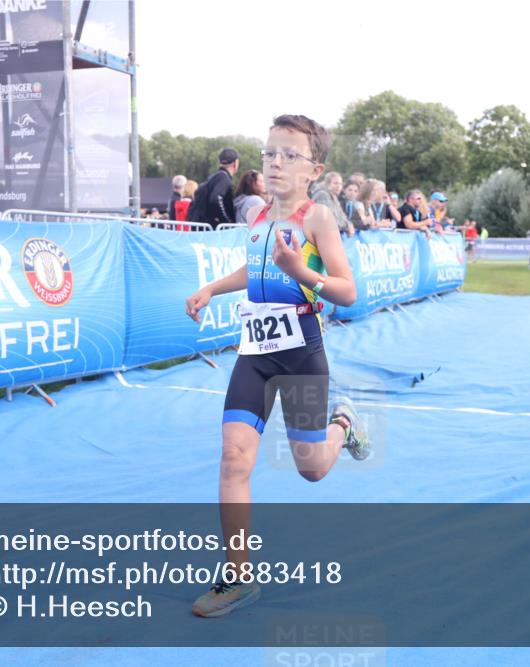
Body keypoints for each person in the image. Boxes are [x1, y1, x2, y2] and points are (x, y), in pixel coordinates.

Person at [184, 114, 371, 618]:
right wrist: (211, 288)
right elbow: (256, 268)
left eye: (290, 155)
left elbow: (348, 291)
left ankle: (344, 424)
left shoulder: (318, 219)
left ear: (315, 168)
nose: (276, 163)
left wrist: (301, 271)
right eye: (269, 153)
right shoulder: (259, 218)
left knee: (311, 468)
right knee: (233, 457)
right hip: (256, 353)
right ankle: (238, 577)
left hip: (302, 354)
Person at [187, 148, 239, 227]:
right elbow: (216, 199)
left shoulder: (214, 176)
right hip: (209, 229)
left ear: (220, 162)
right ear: (236, 163)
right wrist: (227, 222)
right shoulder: (223, 178)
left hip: (200, 225)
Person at [311, 171, 353, 235]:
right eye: (335, 183)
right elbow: (330, 220)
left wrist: (349, 224)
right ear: (328, 184)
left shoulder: (334, 196)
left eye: (340, 184)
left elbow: (341, 216)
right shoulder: (322, 195)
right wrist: (347, 226)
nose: (339, 186)